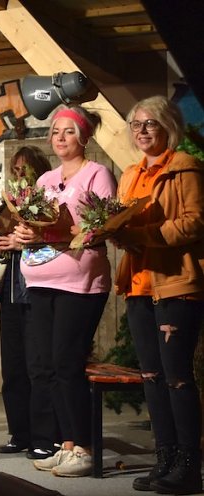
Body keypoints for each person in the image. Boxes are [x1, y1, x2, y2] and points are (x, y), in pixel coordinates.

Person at [13, 105, 116, 477]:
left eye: (68, 131)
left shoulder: (97, 173)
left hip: (80, 284)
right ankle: (67, 443)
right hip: (41, 281)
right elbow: (31, 226)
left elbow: (99, 226)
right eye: (55, 131)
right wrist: (24, 232)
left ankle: (85, 446)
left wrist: (56, 231)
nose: (59, 137)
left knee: (67, 363)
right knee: (48, 366)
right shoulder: (44, 182)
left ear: (84, 137)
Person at [112, 96, 204, 494]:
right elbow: (119, 218)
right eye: (136, 125)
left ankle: (189, 465)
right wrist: (111, 230)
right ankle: (164, 458)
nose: (142, 131)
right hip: (137, 285)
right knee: (151, 378)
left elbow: (195, 223)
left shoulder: (184, 167)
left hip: (176, 285)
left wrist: (142, 235)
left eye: (150, 124)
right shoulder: (130, 173)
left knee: (177, 378)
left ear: (168, 126)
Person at [0, 147, 53, 457]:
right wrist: (2, 246)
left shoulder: (49, 202)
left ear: (39, 171)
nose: (19, 175)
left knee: (38, 367)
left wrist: (21, 244)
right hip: (11, 293)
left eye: (25, 169)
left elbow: (60, 244)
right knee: (12, 368)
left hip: (40, 293)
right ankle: (20, 433)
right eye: (15, 169)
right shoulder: (9, 204)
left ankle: (45, 436)